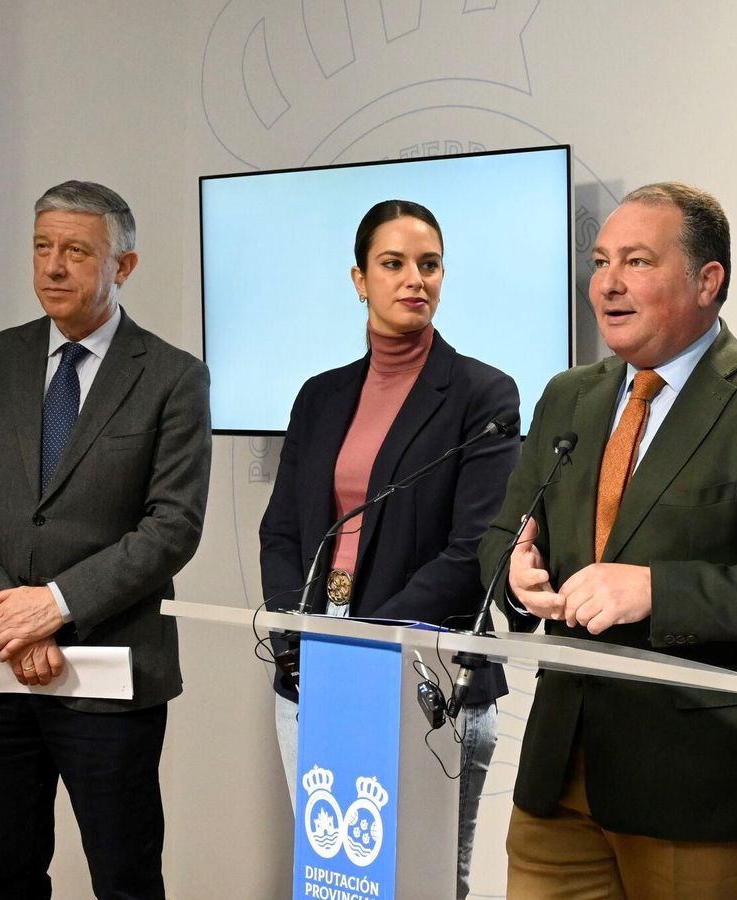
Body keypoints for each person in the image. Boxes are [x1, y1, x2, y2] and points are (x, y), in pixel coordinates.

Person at [478, 182, 737, 899]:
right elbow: (506, 532)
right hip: (562, 771)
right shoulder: (568, 395)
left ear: (707, 280)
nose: (609, 285)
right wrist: (514, 572)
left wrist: (654, 589)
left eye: (638, 262)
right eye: (601, 262)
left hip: (700, 784)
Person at [0, 180, 212, 899]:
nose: (53, 266)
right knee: (4, 877)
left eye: (77, 251)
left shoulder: (174, 377)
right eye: (42, 247)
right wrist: (7, 619)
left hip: (111, 674)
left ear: (124, 267)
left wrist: (53, 606)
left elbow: (172, 525)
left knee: (125, 879)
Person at [258, 199, 519, 899]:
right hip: (313, 672)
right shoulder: (319, 396)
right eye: (393, 264)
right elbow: (281, 529)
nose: (415, 279)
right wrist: (296, 636)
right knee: (334, 881)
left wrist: (367, 648)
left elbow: (474, 552)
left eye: (429, 265)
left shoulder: (481, 394)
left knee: (430, 885)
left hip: (427, 681)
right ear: (359, 279)